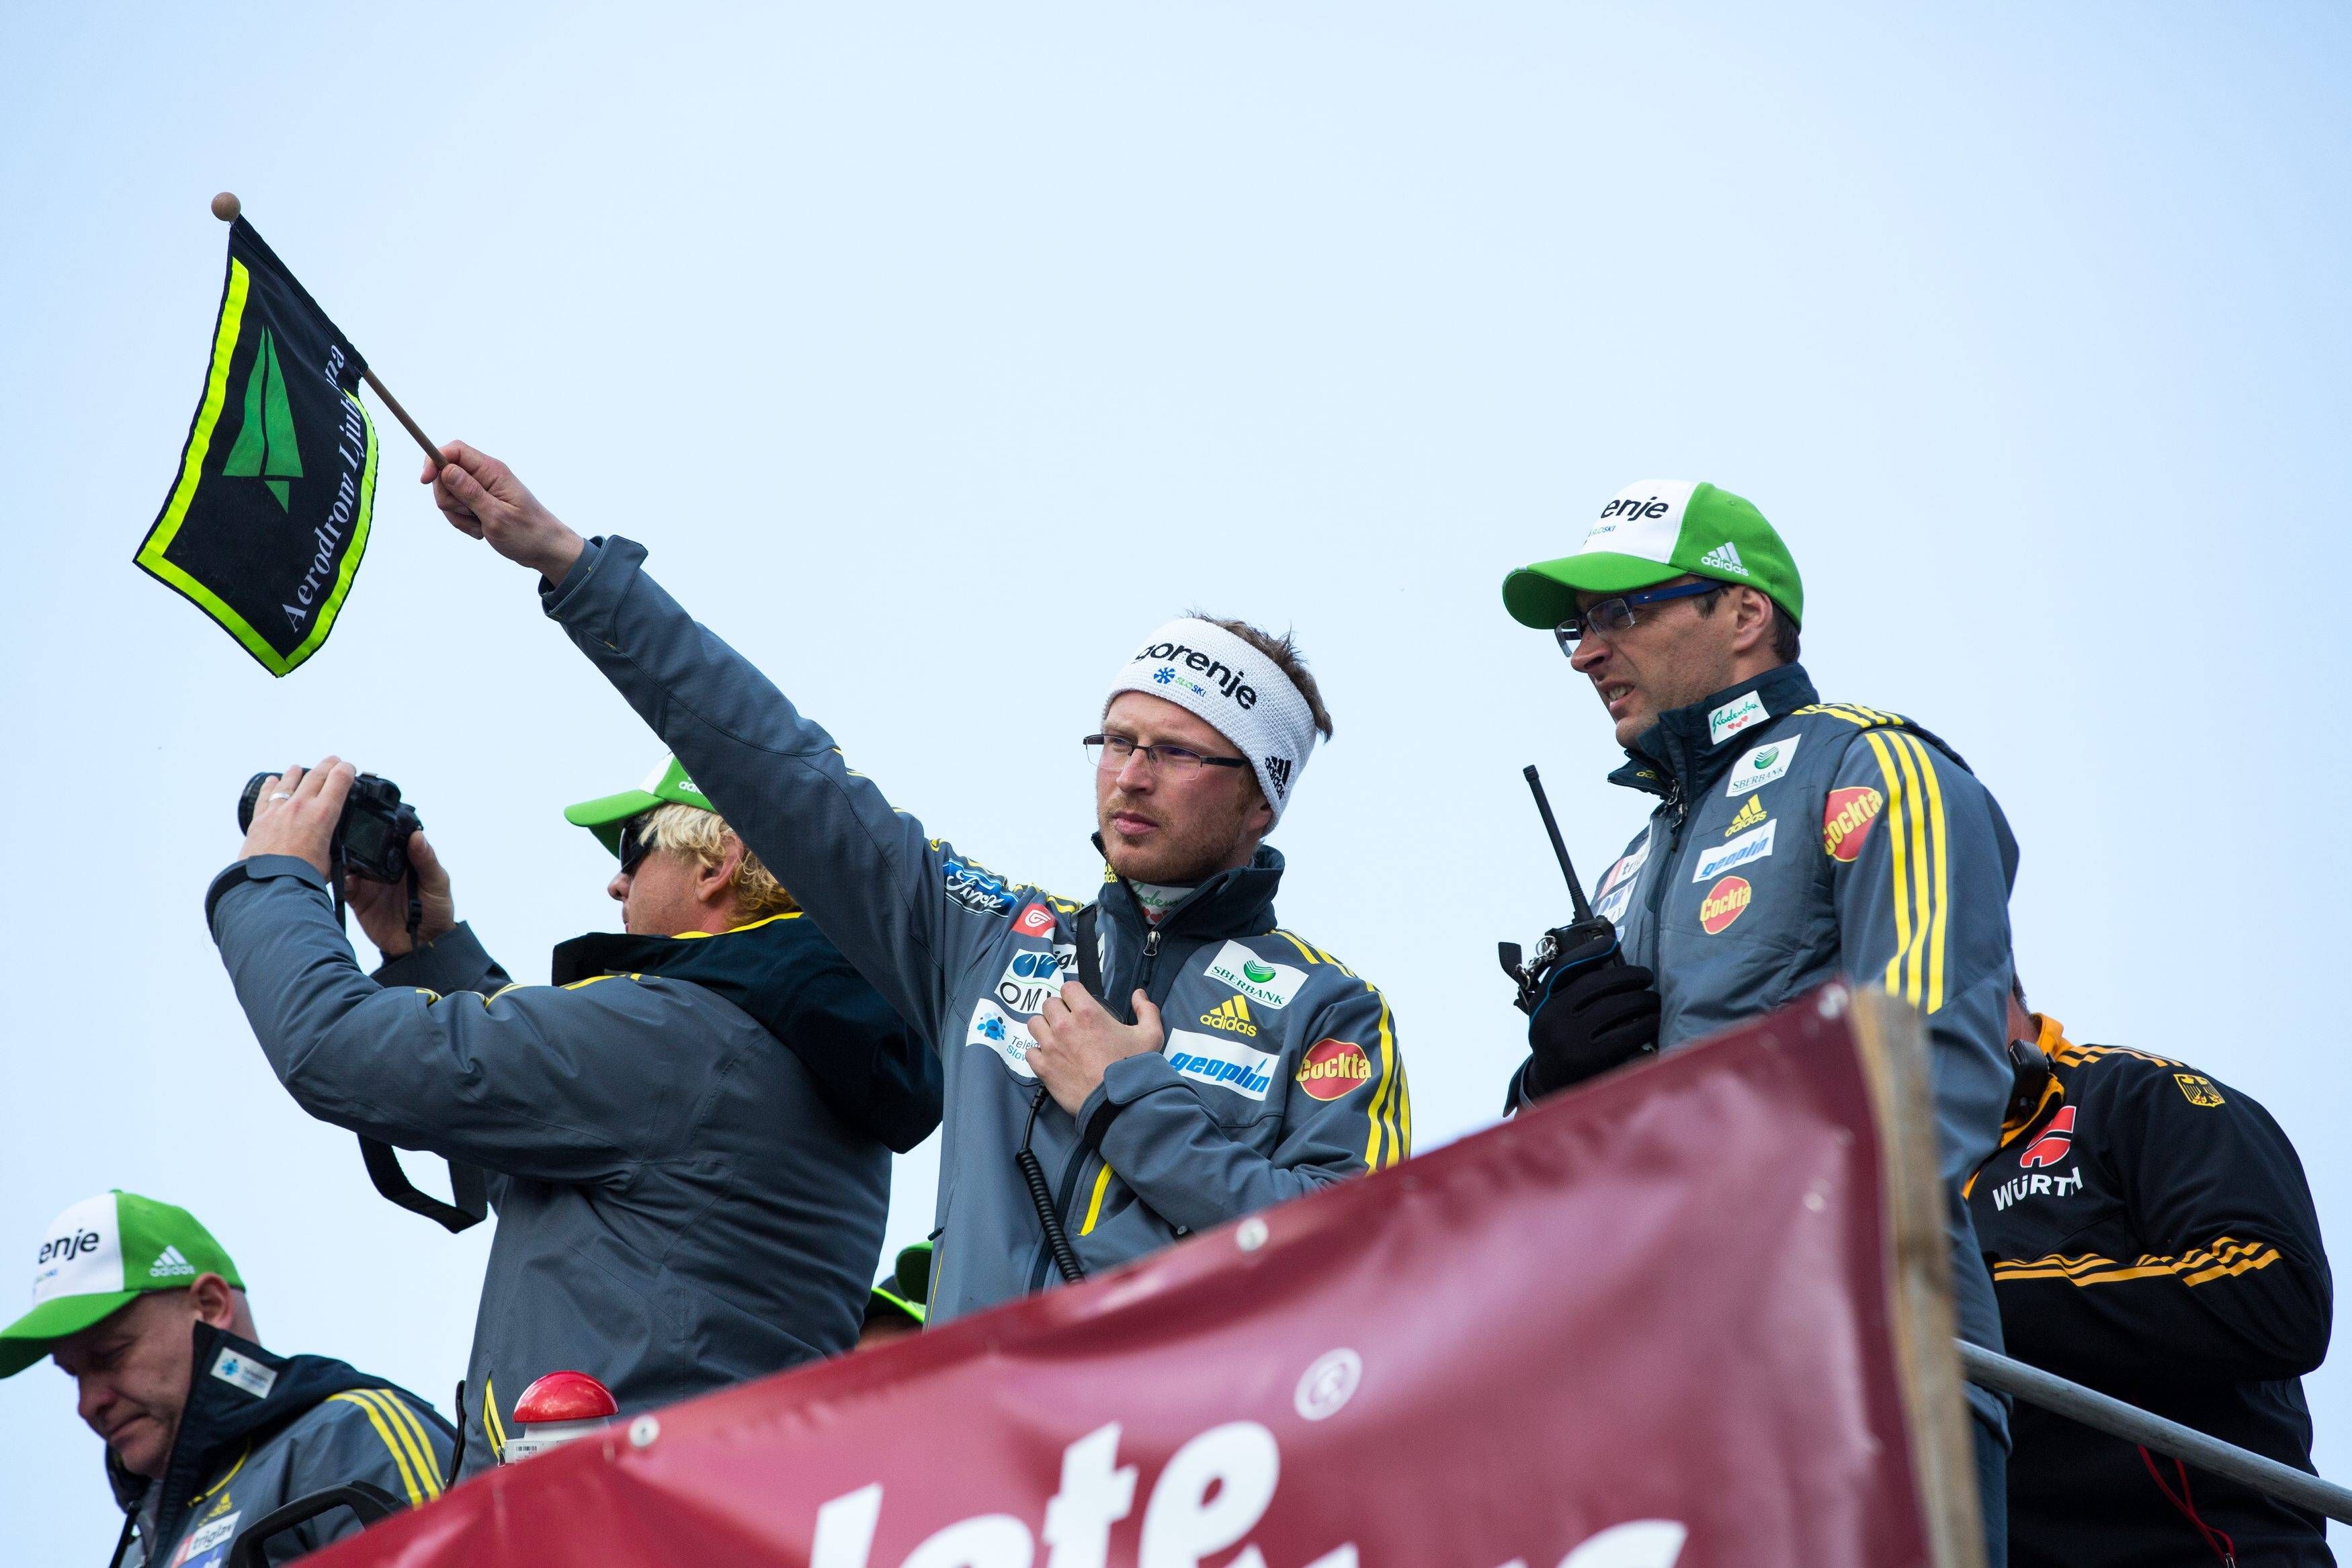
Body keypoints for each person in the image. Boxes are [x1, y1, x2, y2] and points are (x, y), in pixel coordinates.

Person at [414, 441, 1410, 1324]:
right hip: (982, 1444)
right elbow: (784, 771)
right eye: (1116, 740)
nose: (1130, 776)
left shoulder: (1327, 1009)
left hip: (1189, 1456)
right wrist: (574, 566)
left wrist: (1126, 1097)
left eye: (1178, 752)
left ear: (1261, 802)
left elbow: (1355, 1257)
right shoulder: (994, 937)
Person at [1499, 479, 2020, 1559]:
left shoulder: (1874, 766)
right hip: (1649, 1394)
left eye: (1620, 612)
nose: (1586, 652)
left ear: (1744, 615)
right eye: (1575, 626)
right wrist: (1545, 1087)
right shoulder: (1628, 863)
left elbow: (1934, 1075)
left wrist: (1748, 1276)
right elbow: (1537, 1195)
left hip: (1855, 1360)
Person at [208, 752, 928, 1475]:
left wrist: (275, 877)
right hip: (693, 1497)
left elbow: (336, 1047)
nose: (616, 882)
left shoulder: (680, 1036)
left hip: (604, 1510)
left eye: (633, 851)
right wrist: (426, 949)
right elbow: (551, 1158)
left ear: (718, 865)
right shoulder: (789, 1048)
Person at [1969, 984, 2334, 1567]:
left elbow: (2281, 1294)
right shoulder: (1902, 1191)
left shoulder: (2134, 1093)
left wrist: (1980, 1299)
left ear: (1993, 977)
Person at [0, 1190, 454, 1567]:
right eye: (73, 1376)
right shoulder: (141, 1548)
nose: (88, 1404)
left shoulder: (349, 1438)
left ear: (210, 1306)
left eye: (110, 1356)